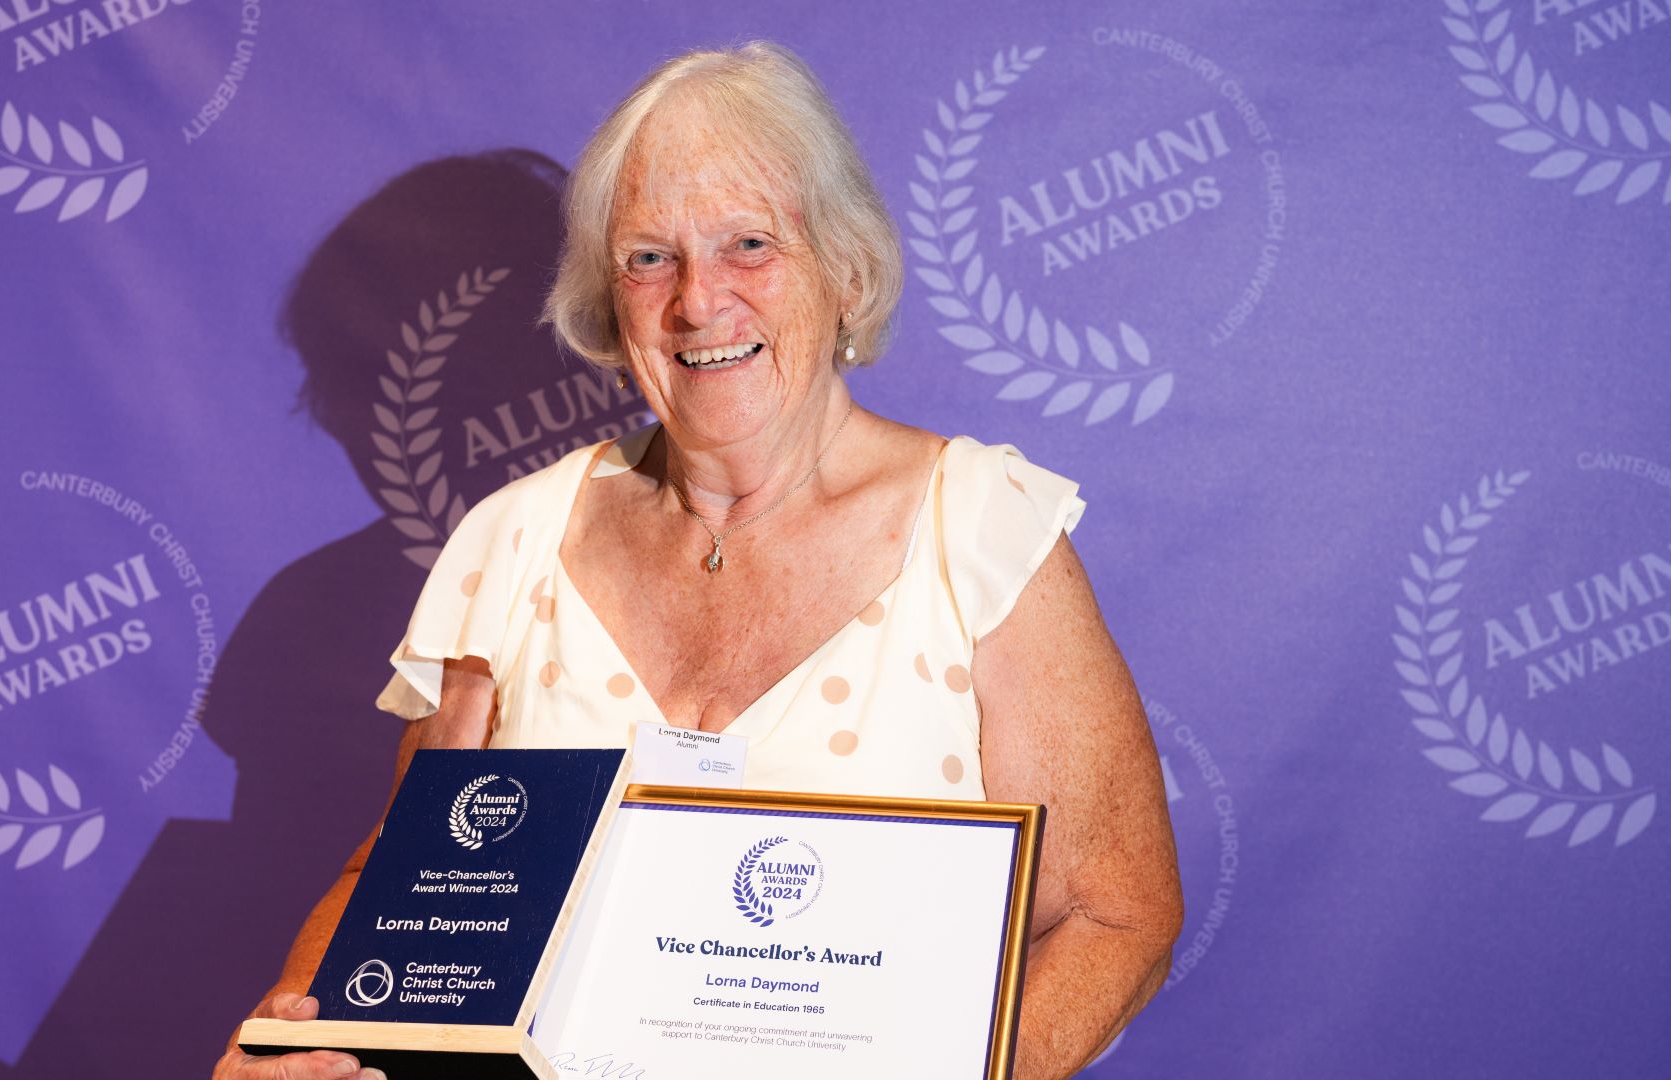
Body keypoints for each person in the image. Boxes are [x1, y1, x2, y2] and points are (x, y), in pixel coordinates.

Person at [216, 41, 1181, 1080]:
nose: (696, 301)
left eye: (749, 244)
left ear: (845, 268)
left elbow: (1113, 913)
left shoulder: (981, 529)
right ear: (607, 297)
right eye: (648, 257)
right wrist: (294, 1041)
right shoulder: (509, 543)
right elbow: (403, 879)